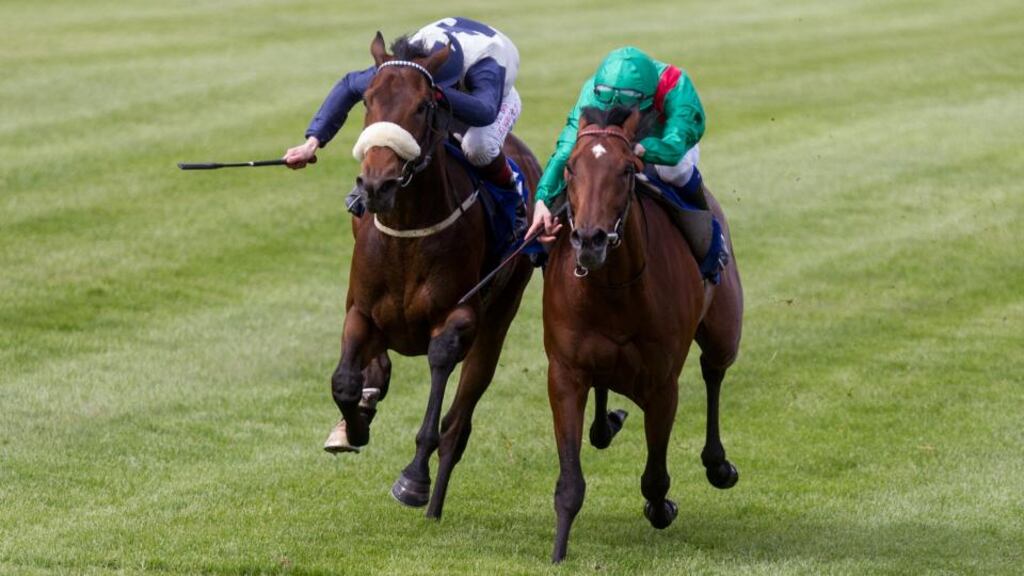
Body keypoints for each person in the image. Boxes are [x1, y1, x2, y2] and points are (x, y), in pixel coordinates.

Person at [283, 17, 524, 216]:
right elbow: (348, 86)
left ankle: (513, 197)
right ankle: (378, 176)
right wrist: (311, 143)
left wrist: (434, 93)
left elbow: (484, 111)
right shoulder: (406, 66)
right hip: (430, 83)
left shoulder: (487, 62)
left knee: (478, 147)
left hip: (492, 99)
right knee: (403, 109)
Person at [527, 46, 728, 282]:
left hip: (661, 138)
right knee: (584, 166)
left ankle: (708, 235)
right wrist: (542, 201)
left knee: (674, 171)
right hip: (612, 139)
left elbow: (675, 145)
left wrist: (640, 149)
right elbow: (566, 151)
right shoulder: (594, 91)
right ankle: (544, 250)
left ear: (647, 98)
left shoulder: (676, 86)